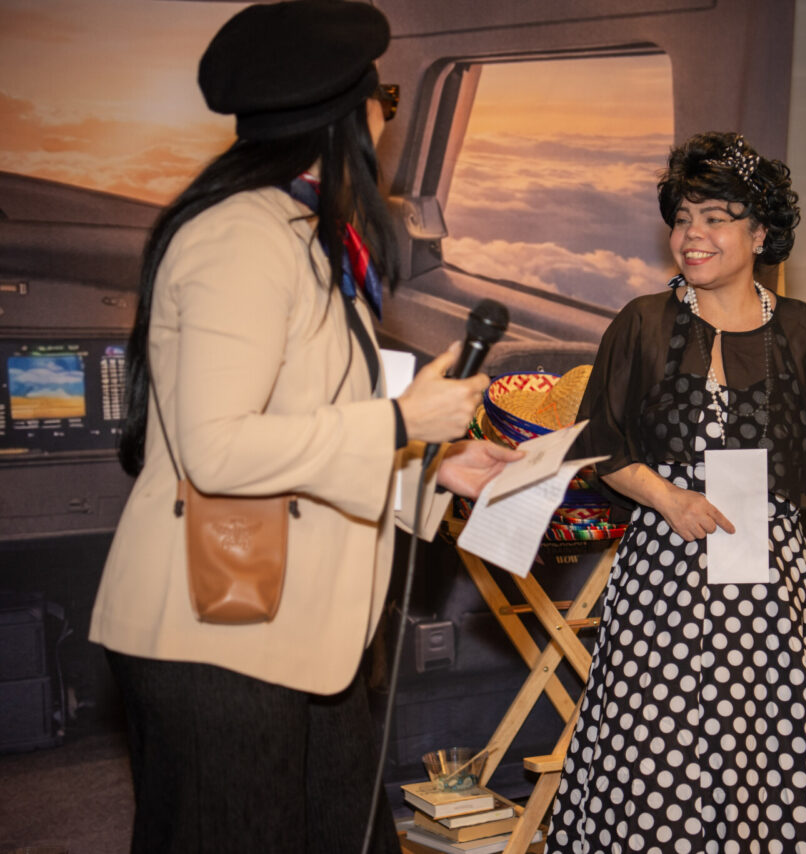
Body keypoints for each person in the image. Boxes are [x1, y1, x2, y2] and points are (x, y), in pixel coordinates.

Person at [88, 3, 519, 851]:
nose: (387, 120)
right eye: (385, 100)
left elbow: (303, 418)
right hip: (221, 630)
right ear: (350, 117)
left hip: (302, 627)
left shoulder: (303, 232)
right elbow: (218, 449)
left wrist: (430, 465)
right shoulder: (241, 238)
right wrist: (400, 419)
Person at [547, 132, 806, 853]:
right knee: (662, 762)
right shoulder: (642, 323)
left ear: (760, 233)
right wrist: (668, 498)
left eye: (715, 218)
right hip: (665, 578)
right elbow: (602, 445)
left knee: (791, 759)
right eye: (683, 219)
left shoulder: (802, 330)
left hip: (777, 584)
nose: (694, 235)